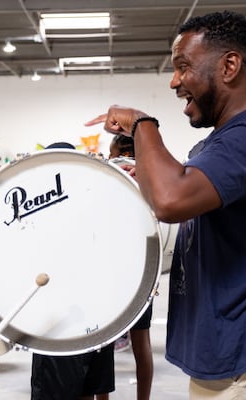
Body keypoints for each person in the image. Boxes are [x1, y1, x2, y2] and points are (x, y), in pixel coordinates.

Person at [86, 11, 246, 399]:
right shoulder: (218, 144)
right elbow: (168, 198)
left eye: (183, 67)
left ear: (230, 66)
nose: (174, 81)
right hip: (222, 346)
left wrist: (143, 122)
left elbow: (172, 201)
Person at [30, 141, 115, 400]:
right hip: (98, 319)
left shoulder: (41, 214)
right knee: (89, 389)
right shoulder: (96, 206)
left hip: (61, 326)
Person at [109, 134, 154, 400]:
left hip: (112, 273)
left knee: (102, 347)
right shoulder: (149, 176)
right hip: (141, 271)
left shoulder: (108, 176)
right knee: (141, 342)